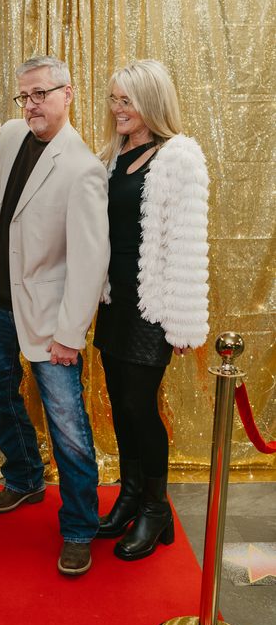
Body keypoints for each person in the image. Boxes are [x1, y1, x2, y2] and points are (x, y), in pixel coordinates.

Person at [0, 56, 109, 576]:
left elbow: (90, 262)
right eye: (24, 96)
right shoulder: (10, 135)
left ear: (67, 94)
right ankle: (25, 477)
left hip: (51, 321)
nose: (30, 105)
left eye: (41, 94)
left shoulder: (83, 168)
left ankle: (79, 528)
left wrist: (70, 335)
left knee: (68, 426)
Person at [94, 59, 209, 560]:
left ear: (152, 103)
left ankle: (156, 508)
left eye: (128, 100)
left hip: (153, 306)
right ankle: (131, 494)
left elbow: (187, 243)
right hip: (113, 299)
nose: (118, 109)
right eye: (114, 99)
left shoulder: (179, 157)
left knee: (139, 405)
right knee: (120, 404)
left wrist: (183, 321)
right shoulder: (112, 155)